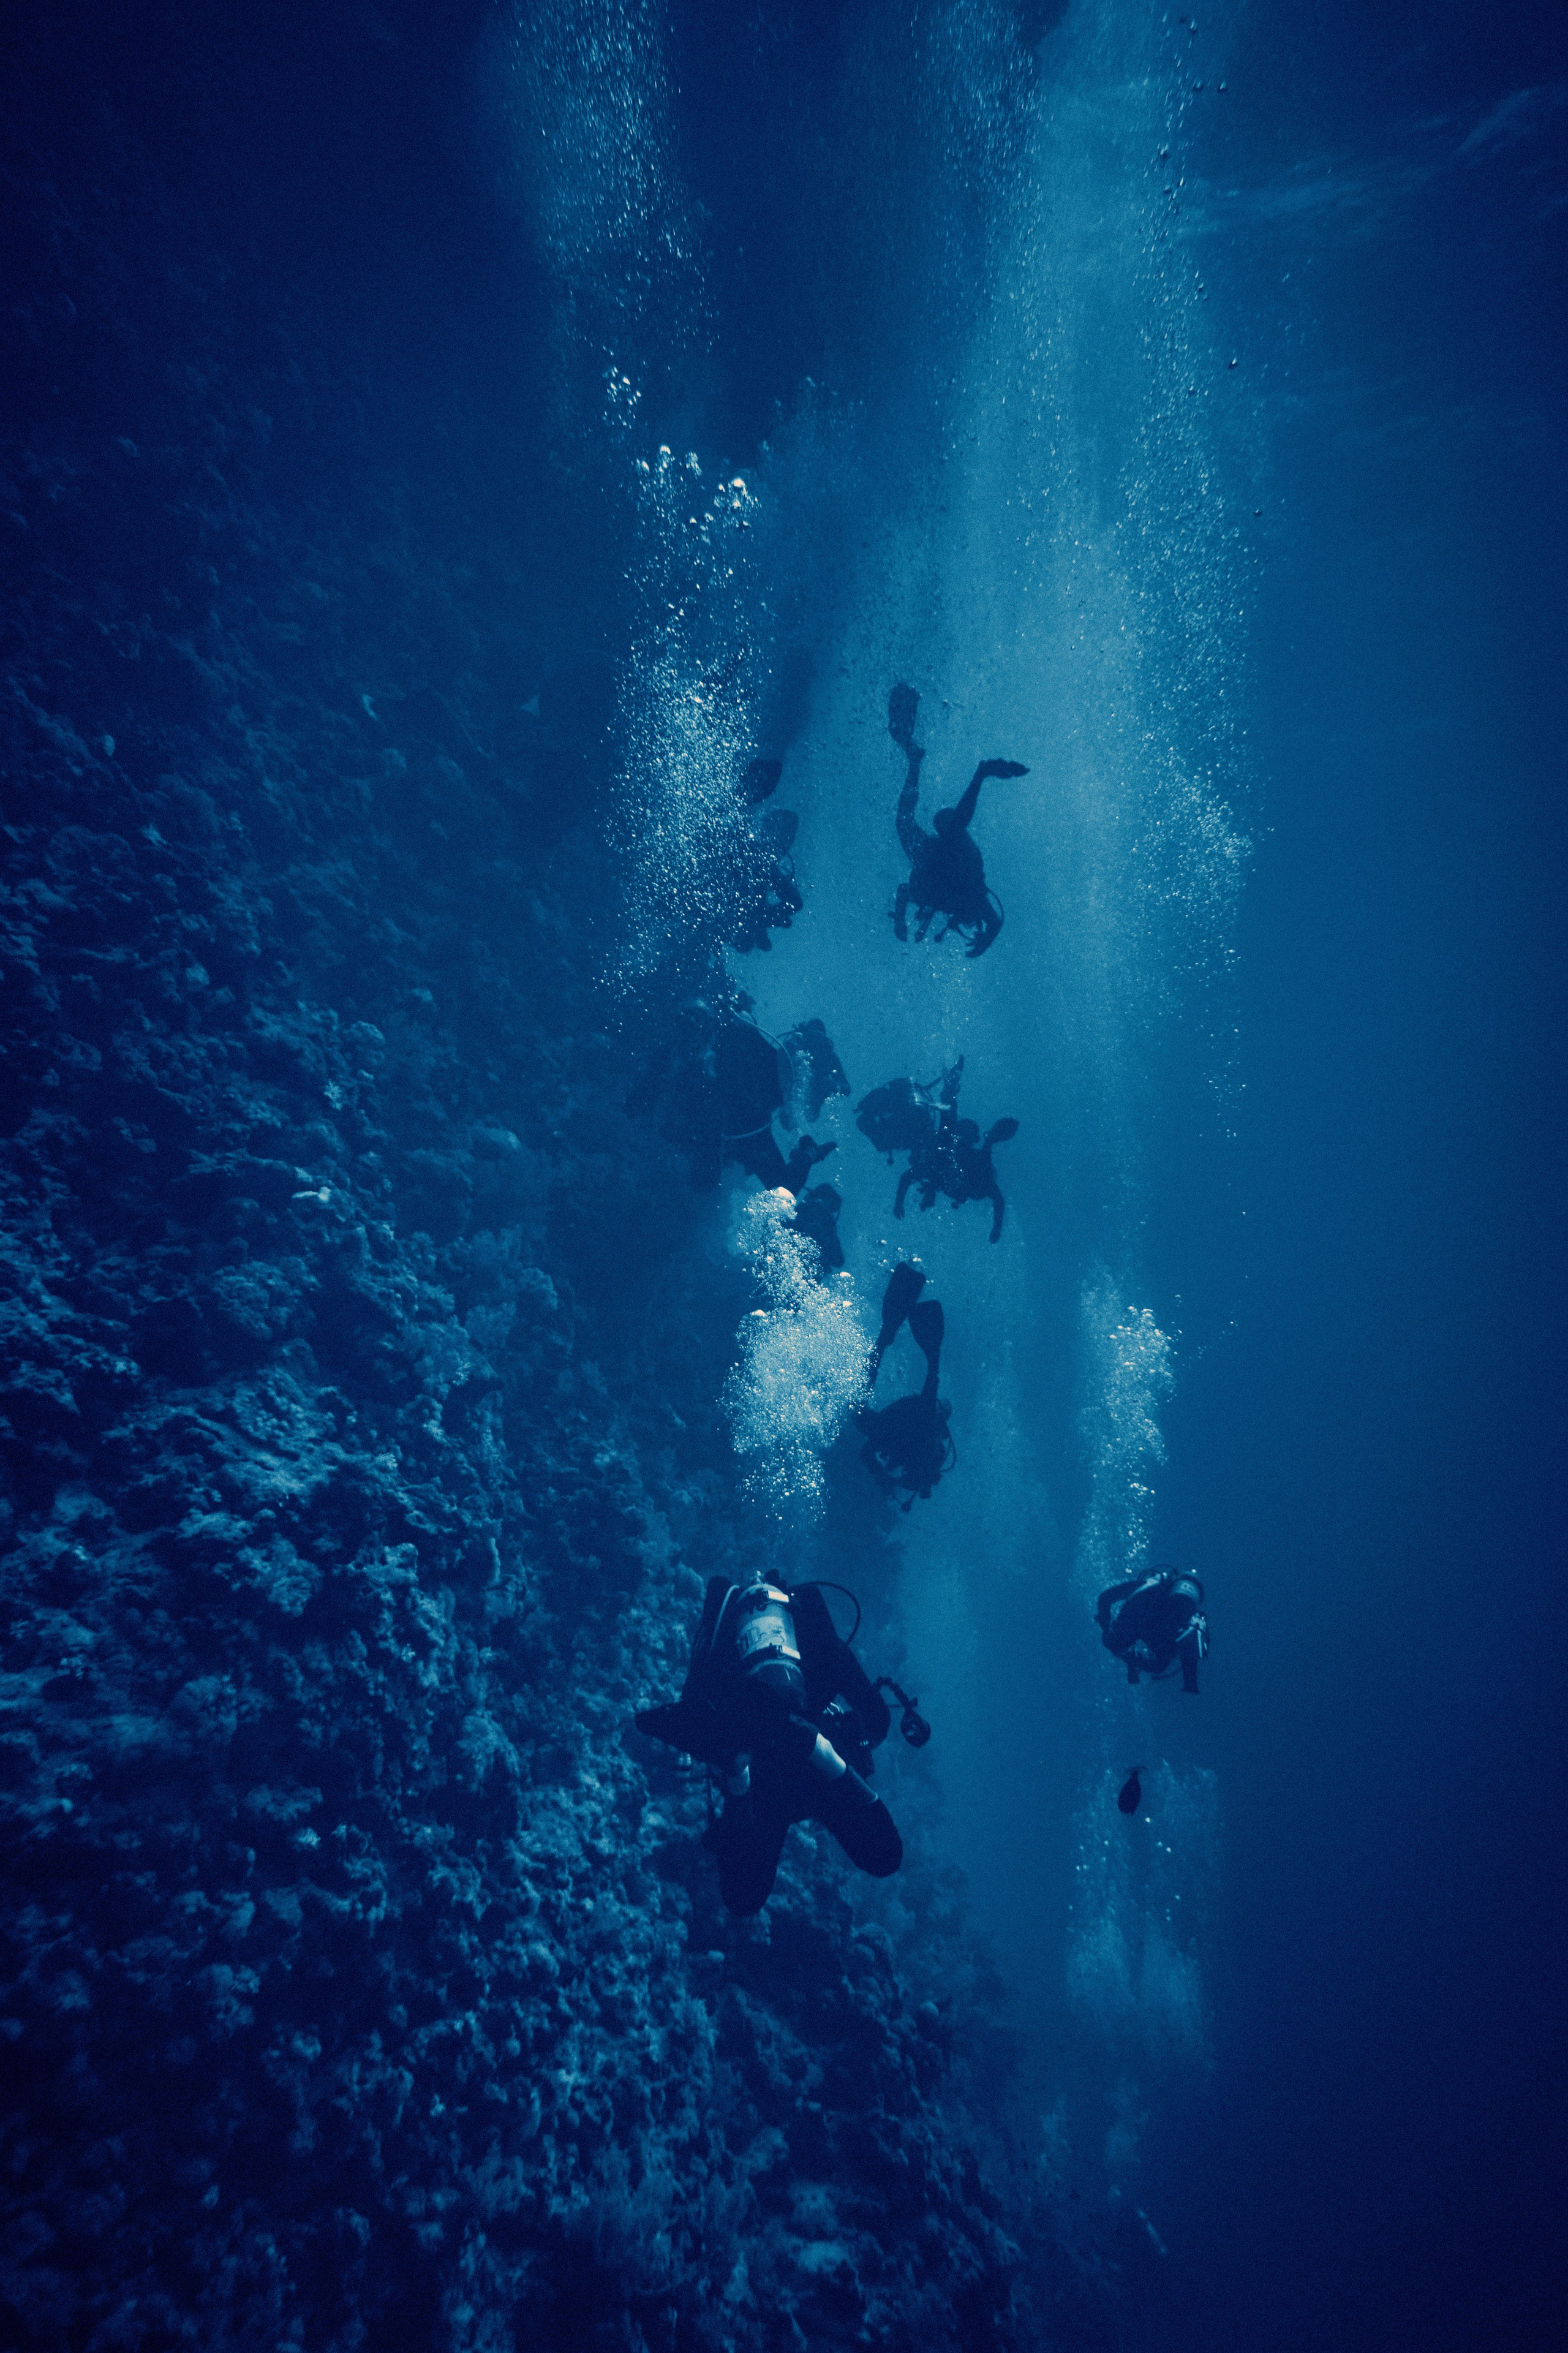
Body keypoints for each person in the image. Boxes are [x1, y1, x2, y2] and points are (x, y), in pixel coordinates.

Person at [635, 1577, 902, 1914]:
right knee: (883, 1856)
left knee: (744, 1898)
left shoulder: (723, 1671)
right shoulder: (818, 1652)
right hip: (813, 1765)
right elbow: (886, 1853)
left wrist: (736, 1773)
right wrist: (820, 1748)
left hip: (763, 1781)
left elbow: (671, 1717)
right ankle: (811, 1753)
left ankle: (759, 1769)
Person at [888, 683, 1028, 958]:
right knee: (948, 826)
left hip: (933, 856)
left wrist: (900, 921)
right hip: (959, 855)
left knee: (906, 821)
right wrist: (988, 939)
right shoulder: (972, 898)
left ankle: (915, 761)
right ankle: (980, 773)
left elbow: (905, 892)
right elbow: (994, 921)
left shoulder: (942, 899)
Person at [855, 1056, 1018, 1242]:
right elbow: (998, 1199)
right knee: (946, 1130)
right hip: (944, 1153)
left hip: (940, 1152)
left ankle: (951, 1087)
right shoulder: (970, 1173)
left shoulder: (946, 1167)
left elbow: (907, 1177)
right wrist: (996, 1228)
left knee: (944, 1130)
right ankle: (951, 1088)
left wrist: (899, 1204)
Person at [855, 1263, 955, 1508]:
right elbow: (930, 1388)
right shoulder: (929, 1425)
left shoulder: (928, 1429)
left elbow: (866, 1453)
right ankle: (884, 1339)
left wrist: (886, 1480)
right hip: (893, 1432)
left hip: (890, 1432)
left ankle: (883, 1338)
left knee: (858, 1410)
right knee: (858, 1410)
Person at [1095, 1568, 1208, 1693]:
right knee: (1159, 1665)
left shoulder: (1151, 1587)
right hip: (1160, 1632)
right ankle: (1133, 1659)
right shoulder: (1190, 1617)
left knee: (1113, 1643)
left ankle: (1131, 1657)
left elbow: (1105, 1597)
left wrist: (1106, 1626)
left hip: (1141, 1621)